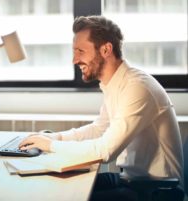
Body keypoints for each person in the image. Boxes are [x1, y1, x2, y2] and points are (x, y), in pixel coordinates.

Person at [19, 16, 184, 200]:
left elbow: (106, 151)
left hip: (157, 191)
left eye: (80, 51)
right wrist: (55, 137)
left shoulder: (137, 87)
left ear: (106, 49)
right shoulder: (115, 84)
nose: (75, 60)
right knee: (57, 185)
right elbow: (100, 129)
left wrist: (50, 146)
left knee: (68, 196)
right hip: (132, 180)